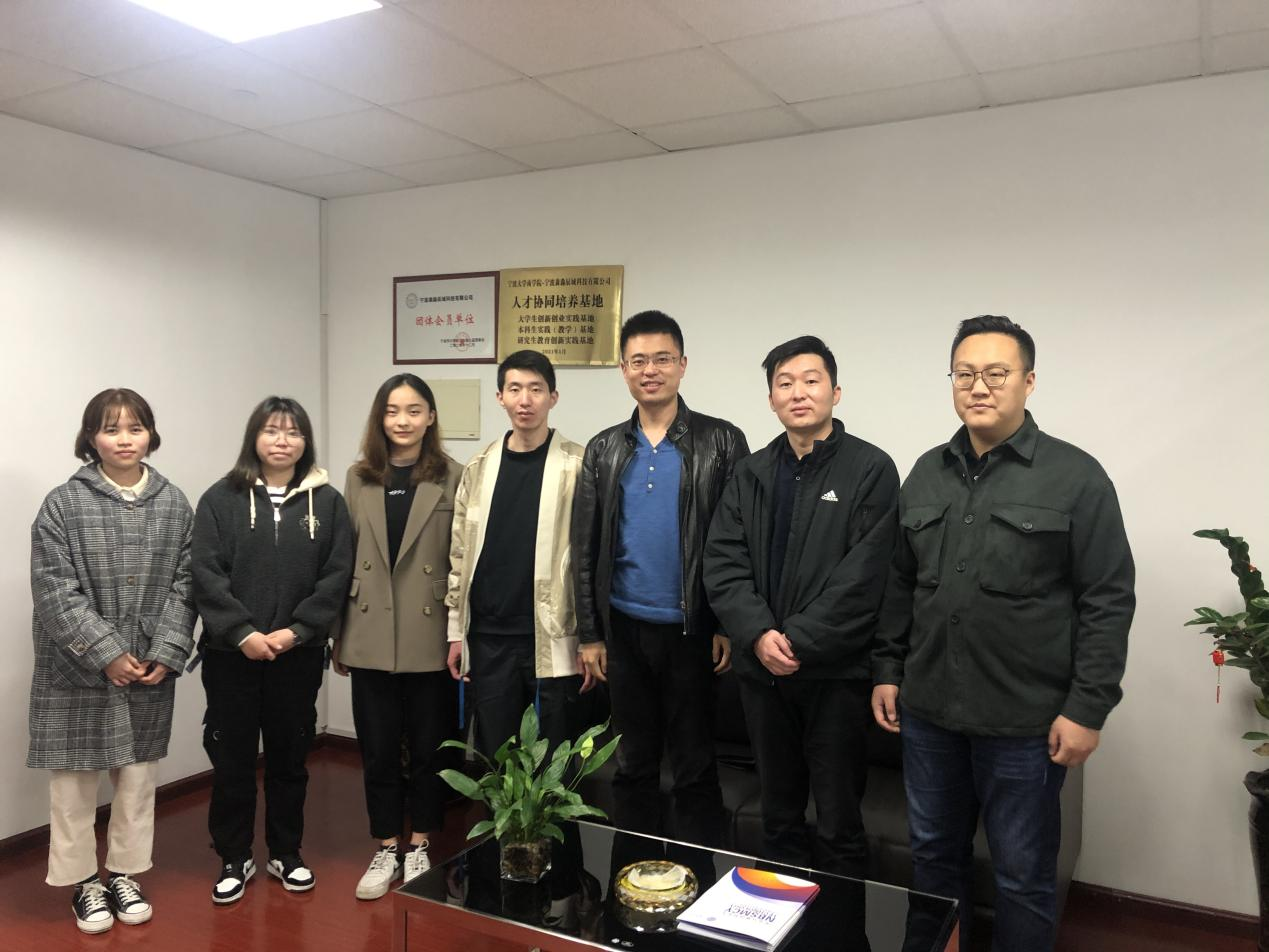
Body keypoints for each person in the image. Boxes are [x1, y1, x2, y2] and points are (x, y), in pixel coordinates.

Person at [871, 315, 1135, 952]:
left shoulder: (1076, 477)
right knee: (933, 862)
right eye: (965, 373)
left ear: (1029, 381)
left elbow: (1107, 598)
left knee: (1022, 877)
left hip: (1025, 723)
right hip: (930, 713)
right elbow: (900, 584)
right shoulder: (926, 473)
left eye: (996, 373)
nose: (979, 386)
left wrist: (1087, 707)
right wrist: (887, 669)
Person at [704, 336, 898, 877]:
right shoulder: (751, 472)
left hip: (835, 676)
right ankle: (781, 917)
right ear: (771, 399)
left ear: (835, 392)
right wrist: (758, 635)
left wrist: (797, 640)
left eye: (811, 381)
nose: (798, 393)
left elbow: (866, 575)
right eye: (785, 383)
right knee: (779, 817)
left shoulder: (871, 469)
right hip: (761, 675)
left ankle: (840, 919)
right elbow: (723, 561)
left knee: (838, 823)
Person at [572, 310, 749, 847]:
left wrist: (725, 624)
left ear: (683, 365)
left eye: (662, 359)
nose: (650, 370)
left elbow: (737, 543)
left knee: (695, 764)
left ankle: (695, 881)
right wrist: (590, 634)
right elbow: (585, 549)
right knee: (633, 762)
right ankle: (633, 877)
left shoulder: (723, 442)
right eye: (638, 361)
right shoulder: (604, 448)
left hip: (693, 630)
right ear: (624, 369)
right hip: (624, 629)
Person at [28, 388, 196, 933]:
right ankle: (83, 882)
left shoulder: (174, 503)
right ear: (91, 437)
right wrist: (106, 653)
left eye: (135, 428)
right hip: (75, 668)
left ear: (150, 434)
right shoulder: (63, 503)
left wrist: (167, 649)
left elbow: (188, 584)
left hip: (149, 665)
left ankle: (125, 873)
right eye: (111, 428)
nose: (124, 439)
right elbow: (54, 590)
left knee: (138, 778)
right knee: (74, 784)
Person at [192, 396, 352, 905]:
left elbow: (337, 574)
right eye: (271, 430)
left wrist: (297, 631)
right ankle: (233, 856)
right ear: (254, 438)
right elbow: (205, 573)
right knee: (232, 760)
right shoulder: (220, 499)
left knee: (289, 758)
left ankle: (286, 852)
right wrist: (242, 632)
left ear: (305, 441)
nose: (282, 441)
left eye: (293, 432)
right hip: (230, 654)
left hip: (297, 655)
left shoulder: (328, 502)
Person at [333, 374, 462, 901]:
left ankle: (422, 842)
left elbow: (462, 559)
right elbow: (342, 558)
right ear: (379, 418)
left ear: (430, 417)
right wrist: (338, 636)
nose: (402, 421)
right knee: (379, 747)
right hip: (367, 627)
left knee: (430, 748)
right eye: (392, 411)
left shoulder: (454, 474)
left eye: (413, 410)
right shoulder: (358, 476)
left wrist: (461, 633)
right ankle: (386, 844)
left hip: (430, 629)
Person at [445, 350, 589, 763]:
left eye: (536, 389)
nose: (525, 400)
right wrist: (455, 630)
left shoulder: (578, 465)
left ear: (553, 397)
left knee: (554, 762)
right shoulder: (479, 467)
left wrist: (591, 638)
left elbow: (590, 559)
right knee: (497, 760)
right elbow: (459, 552)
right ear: (500, 397)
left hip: (553, 637)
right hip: (488, 637)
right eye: (515, 389)